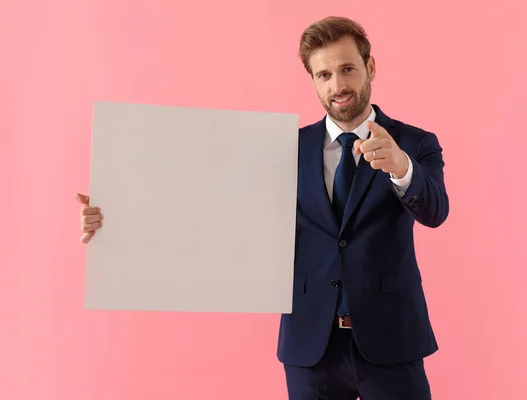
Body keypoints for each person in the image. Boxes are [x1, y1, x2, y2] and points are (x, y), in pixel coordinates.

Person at [76, 16, 449, 400]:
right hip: (311, 345)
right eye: (323, 75)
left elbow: (436, 211)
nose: (337, 86)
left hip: (392, 340)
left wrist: (401, 167)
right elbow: (211, 209)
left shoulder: (414, 143)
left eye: (347, 69)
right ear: (313, 80)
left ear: (369, 67)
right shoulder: (287, 148)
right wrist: (117, 214)